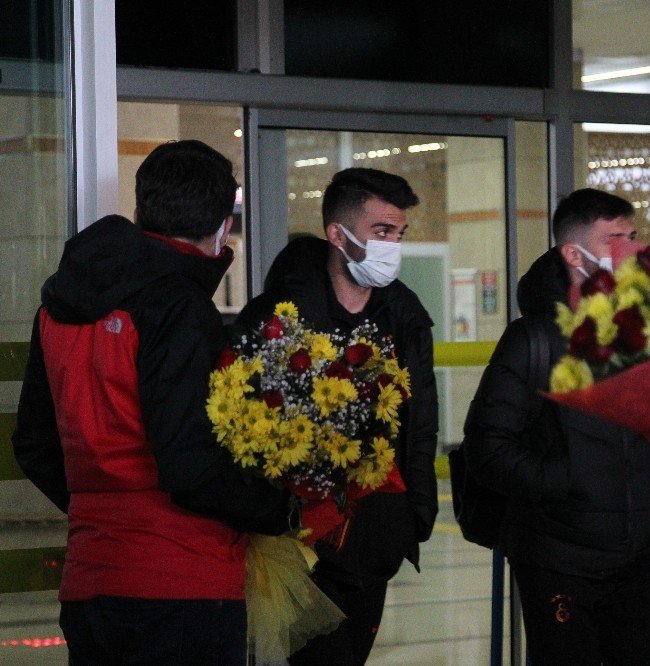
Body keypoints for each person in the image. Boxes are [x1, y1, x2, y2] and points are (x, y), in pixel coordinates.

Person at [12, 140, 293, 665]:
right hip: (182, 581)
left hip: (91, 581)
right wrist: (279, 508)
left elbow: (33, 444)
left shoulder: (57, 307)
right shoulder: (180, 306)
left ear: (141, 210)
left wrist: (102, 515)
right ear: (222, 228)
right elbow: (189, 463)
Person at [463, 188, 650, 665]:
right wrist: (566, 481)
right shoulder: (534, 341)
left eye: (632, 237)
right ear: (573, 254)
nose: (629, 251)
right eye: (613, 240)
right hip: (557, 562)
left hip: (634, 561)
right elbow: (488, 448)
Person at [237, 167, 438, 665]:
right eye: (381, 231)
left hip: (377, 540)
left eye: (399, 234)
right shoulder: (277, 318)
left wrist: (414, 516)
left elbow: (419, 424)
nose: (392, 246)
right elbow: (239, 424)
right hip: (298, 546)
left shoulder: (403, 319)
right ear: (337, 234)